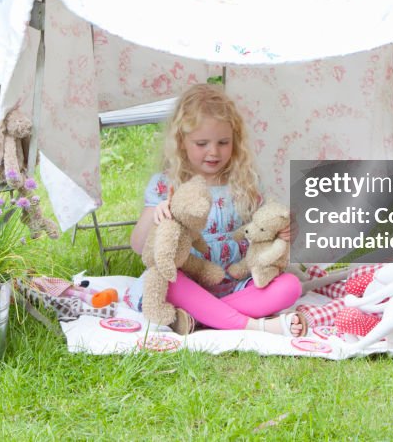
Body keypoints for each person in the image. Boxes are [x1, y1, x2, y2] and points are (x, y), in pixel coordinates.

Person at [128, 83, 305, 336]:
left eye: (223, 142)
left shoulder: (245, 181)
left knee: (290, 286)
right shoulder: (166, 184)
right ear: (181, 142)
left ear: (235, 141)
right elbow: (138, 245)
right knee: (165, 282)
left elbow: (265, 229)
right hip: (186, 282)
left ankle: (204, 316)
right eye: (202, 143)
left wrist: (287, 230)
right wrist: (158, 213)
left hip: (235, 283)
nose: (214, 152)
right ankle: (255, 325)